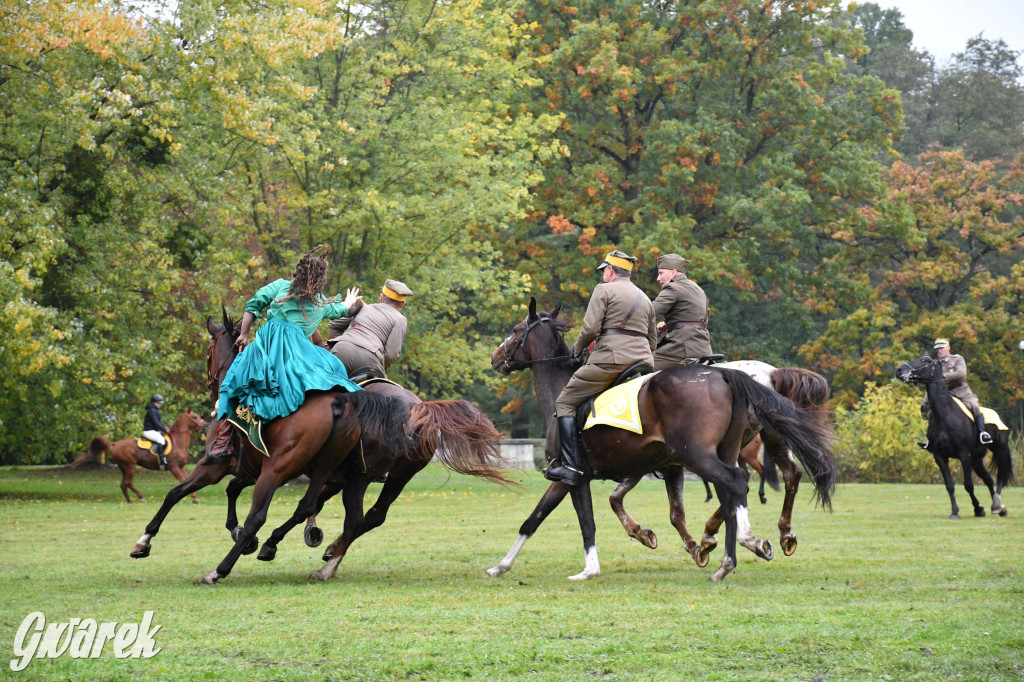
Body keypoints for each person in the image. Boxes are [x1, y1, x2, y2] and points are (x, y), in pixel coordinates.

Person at [204, 245, 363, 465]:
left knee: (232, 381)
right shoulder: (320, 301)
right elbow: (341, 309)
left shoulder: (281, 286)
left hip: (269, 345)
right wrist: (349, 302)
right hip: (300, 353)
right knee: (334, 371)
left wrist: (244, 334)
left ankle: (222, 443)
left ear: (298, 272)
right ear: (319, 280)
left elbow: (253, 305)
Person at [546, 250, 657, 486]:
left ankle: (569, 466)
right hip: (642, 362)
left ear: (610, 271)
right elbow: (652, 338)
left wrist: (576, 350)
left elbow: (590, 329)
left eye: (604, 271)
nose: (603, 275)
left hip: (611, 360)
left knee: (565, 401)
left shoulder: (603, 290)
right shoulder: (644, 297)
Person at [328, 278, 413, 379]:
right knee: (380, 393)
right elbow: (391, 354)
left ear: (381, 297)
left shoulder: (364, 308)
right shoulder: (400, 319)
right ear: (402, 304)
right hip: (368, 359)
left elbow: (334, 325)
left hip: (342, 349)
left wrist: (343, 342)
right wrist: (379, 366)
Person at [920, 337, 992, 447]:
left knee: (974, 406)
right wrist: (925, 402)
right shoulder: (934, 365)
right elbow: (931, 385)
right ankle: (931, 439)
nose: (939, 350)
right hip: (944, 395)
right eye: (937, 348)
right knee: (932, 413)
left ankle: (983, 433)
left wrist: (941, 377)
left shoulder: (957, 359)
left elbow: (961, 373)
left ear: (948, 347)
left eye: (942, 348)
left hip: (961, 392)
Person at [650, 253, 713, 370]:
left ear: (673, 272)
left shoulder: (672, 287)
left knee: (642, 367)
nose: (658, 278)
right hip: (703, 348)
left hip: (681, 349)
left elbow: (651, 312)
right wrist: (668, 324)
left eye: (661, 273)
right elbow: (698, 317)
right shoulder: (697, 288)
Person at [142, 394, 170, 468]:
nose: (160, 404)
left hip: (153, 431)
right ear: (154, 403)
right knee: (161, 440)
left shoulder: (155, 410)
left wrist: (165, 426)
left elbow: (159, 421)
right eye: (158, 403)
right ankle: (161, 460)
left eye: (160, 403)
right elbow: (156, 422)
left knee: (164, 439)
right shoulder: (152, 411)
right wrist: (164, 429)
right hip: (148, 431)